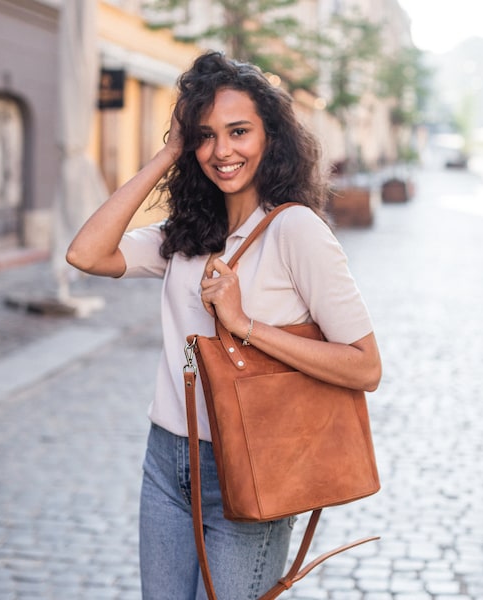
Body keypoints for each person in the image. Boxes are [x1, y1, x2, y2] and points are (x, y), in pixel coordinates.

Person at [66, 50, 381, 600]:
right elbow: (87, 254)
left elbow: (365, 366)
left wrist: (244, 324)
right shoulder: (188, 233)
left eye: (239, 131)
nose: (222, 151)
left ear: (271, 138)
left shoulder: (295, 231)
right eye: (205, 136)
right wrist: (167, 152)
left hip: (255, 464)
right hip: (167, 462)